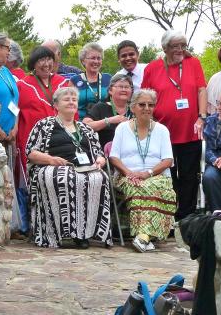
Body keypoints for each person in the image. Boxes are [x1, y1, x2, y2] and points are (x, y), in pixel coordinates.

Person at [26, 87, 111, 248]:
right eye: (67, 99)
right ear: (56, 105)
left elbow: (99, 152)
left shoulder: (86, 129)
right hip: (54, 165)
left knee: (99, 178)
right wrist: (50, 159)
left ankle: (83, 233)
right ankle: (55, 232)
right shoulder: (44, 125)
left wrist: (100, 161)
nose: (71, 102)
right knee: (64, 177)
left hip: (85, 167)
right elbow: (30, 152)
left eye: (74, 99)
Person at [141, 29, 207, 220]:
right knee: (167, 173)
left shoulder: (193, 63)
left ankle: (186, 214)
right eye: (175, 46)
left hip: (190, 128)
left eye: (183, 46)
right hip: (162, 130)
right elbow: (146, 96)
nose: (180, 50)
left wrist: (201, 116)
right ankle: (168, 212)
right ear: (165, 48)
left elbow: (201, 90)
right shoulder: (152, 68)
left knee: (188, 173)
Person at [109, 89, 176, 252]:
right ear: (132, 107)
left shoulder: (162, 130)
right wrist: (129, 172)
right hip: (127, 175)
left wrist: (148, 173)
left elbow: (168, 160)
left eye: (151, 105)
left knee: (157, 187)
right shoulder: (122, 128)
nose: (147, 108)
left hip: (156, 174)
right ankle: (146, 236)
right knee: (139, 186)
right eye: (142, 104)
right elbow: (113, 157)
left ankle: (143, 236)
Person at [15, 46, 69, 231]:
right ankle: (32, 224)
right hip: (31, 138)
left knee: (59, 177)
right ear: (33, 63)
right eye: (41, 60)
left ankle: (60, 222)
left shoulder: (64, 83)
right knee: (32, 179)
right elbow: (14, 110)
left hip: (59, 138)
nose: (46, 64)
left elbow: (72, 111)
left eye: (49, 60)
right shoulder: (23, 84)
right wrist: (13, 130)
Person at [84, 73, 133, 146]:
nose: (124, 90)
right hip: (105, 153)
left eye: (127, 87)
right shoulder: (100, 107)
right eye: (120, 86)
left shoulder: (135, 109)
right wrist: (109, 120)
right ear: (110, 90)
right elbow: (85, 126)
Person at [69, 42, 112, 119]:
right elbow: (70, 105)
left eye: (99, 58)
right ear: (83, 61)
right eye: (92, 58)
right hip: (81, 124)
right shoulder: (74, 80)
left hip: (105, 124)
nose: (96, 61)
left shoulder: (108, 79)